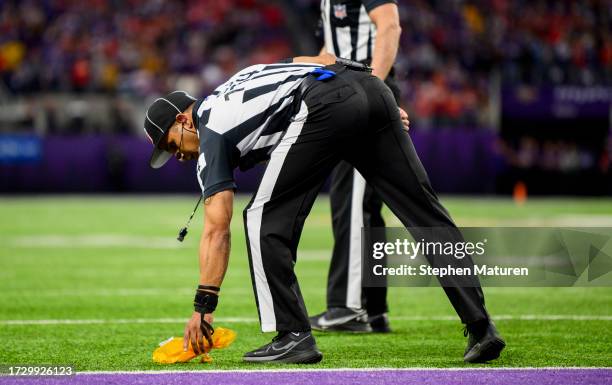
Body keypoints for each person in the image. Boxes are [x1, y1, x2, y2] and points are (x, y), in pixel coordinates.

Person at [143, 53, 505, 364]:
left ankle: (293, 335)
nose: (176, 155)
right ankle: (480, 325)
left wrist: (203, 308)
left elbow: (216, 228)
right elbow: (309, 60)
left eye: (170, 143)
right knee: (424, 212)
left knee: (261, 219)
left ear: (183, 120)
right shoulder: (240, 79)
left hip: (323, 105)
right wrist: (377, 101)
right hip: (369, 86)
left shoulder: (211, 132)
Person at [309, 0, 402, 333]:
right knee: (367, 207)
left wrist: (370, 88)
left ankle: (345, 307)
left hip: (361, 94)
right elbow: (329, 51)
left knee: (350, 202)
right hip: (352, 92)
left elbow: (390, 25)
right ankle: (373, 308)